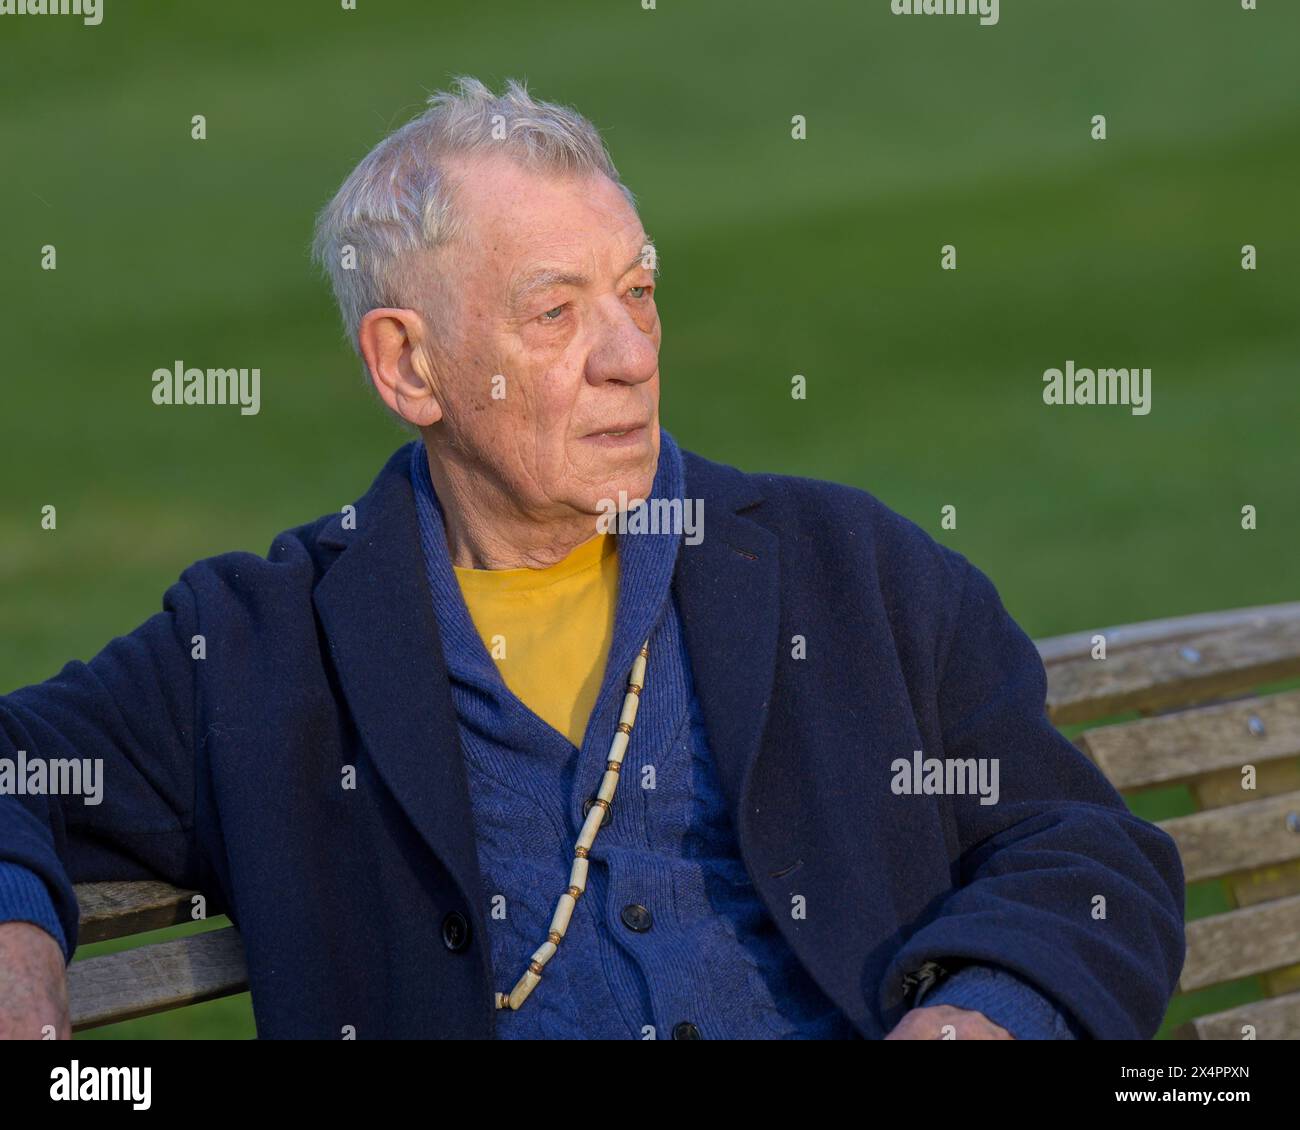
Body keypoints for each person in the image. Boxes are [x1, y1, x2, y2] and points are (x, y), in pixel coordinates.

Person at [0, 77, 1183, 1040]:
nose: (628, 353)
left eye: (639, 289)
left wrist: (982, 1016)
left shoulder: (845, 567)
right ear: (408, 366)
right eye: (556, 312)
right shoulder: (259, 647)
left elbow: (1085, 848)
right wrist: (15, 935)